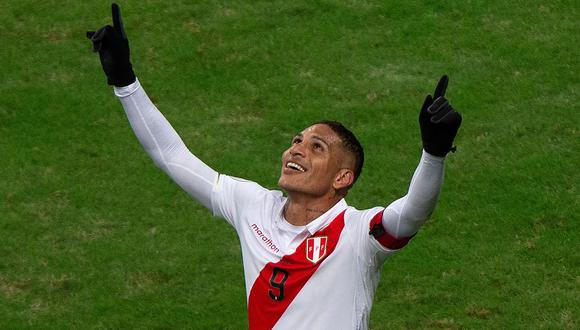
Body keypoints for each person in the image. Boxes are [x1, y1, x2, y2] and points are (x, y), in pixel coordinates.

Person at [87, 4, 462, 330]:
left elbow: (413, 212)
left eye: (317, 147)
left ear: (342, 178)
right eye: (296, 140)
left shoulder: (358, 234)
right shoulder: (252, 206)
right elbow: (173, 156)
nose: (296, 150)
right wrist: (125, 82)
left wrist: (434, 152)